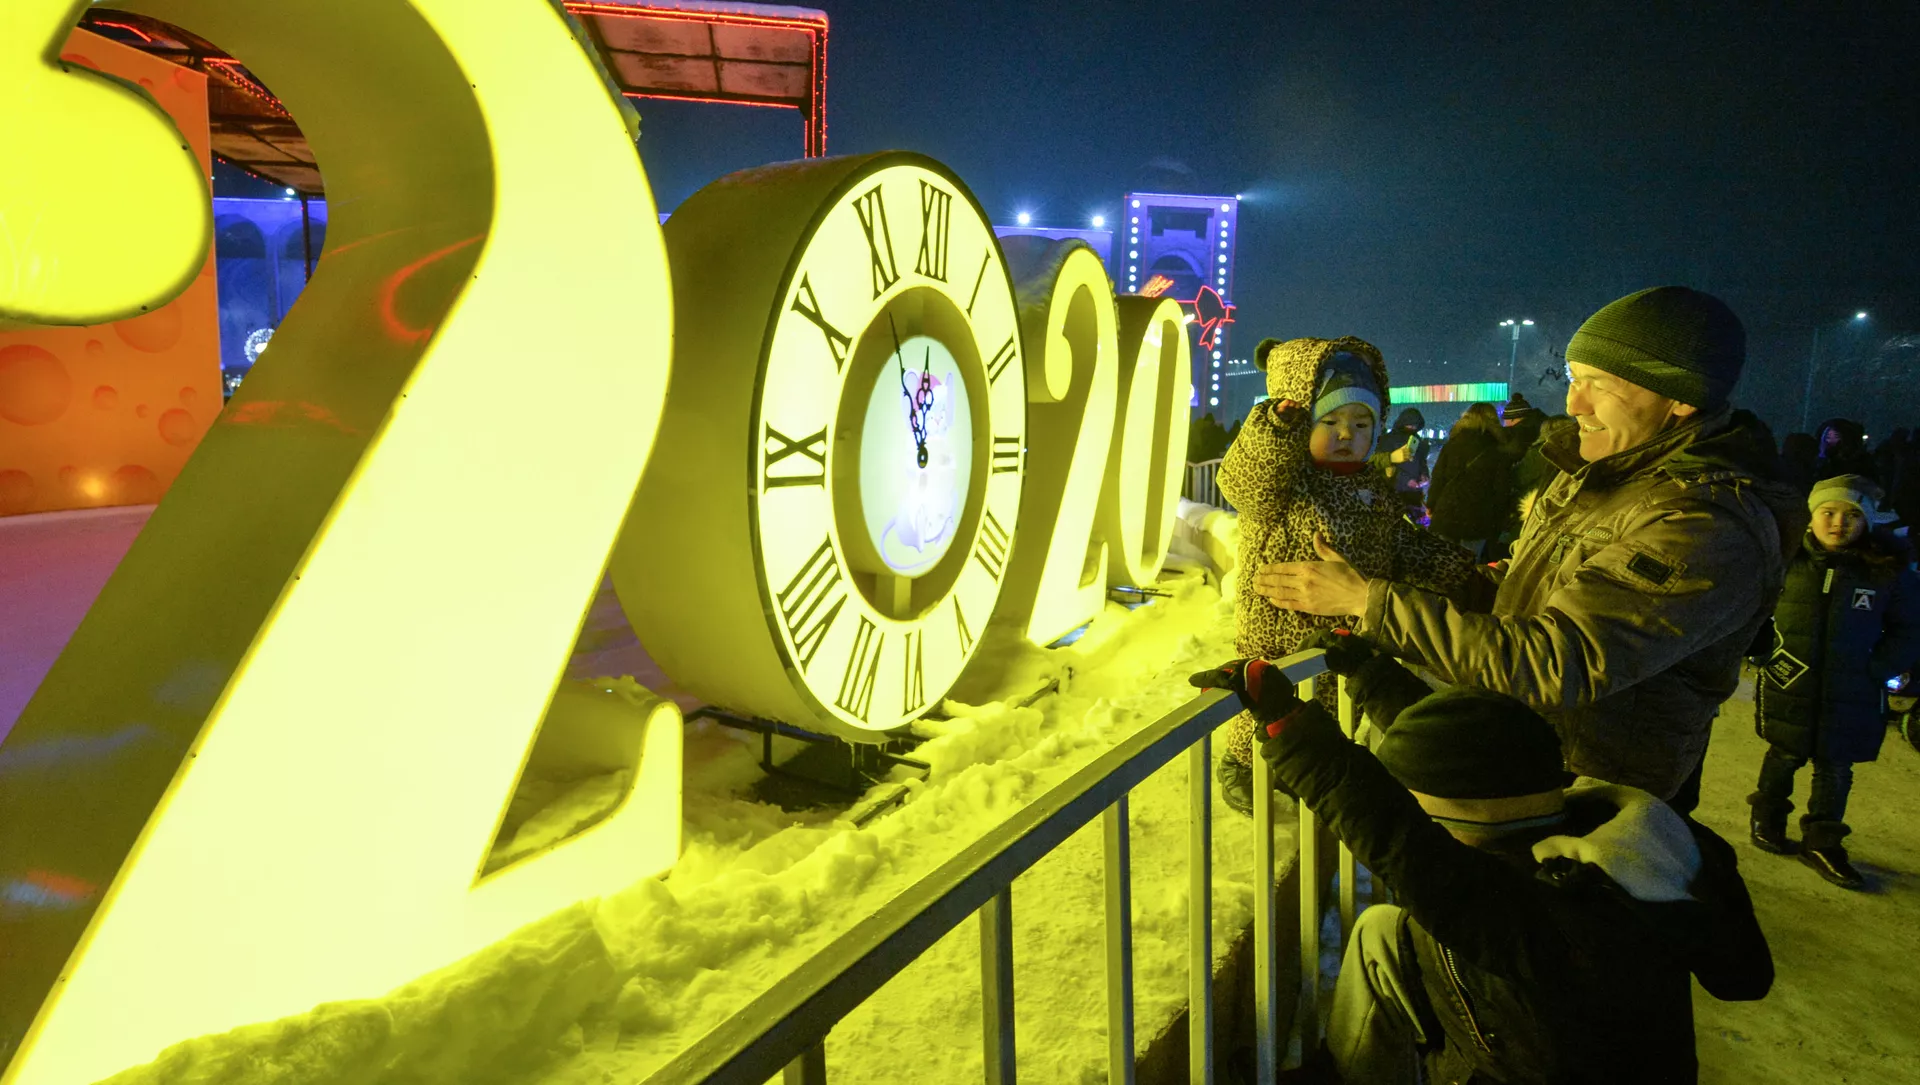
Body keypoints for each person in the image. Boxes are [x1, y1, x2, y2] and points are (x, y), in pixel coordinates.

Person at [1251, 287, 1804, 811]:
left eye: (1598, 383)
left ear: (1680, 397)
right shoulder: (1598, 475)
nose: (1573, 401)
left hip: (1589, 802)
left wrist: (1368, 600)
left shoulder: (1703, 524)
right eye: (1574, 378)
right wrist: (1392, 560)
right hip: (1515, 759)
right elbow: (1520, 593)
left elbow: (1556, 662)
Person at [1190, 640, 1773, 1085]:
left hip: (1512, 1071)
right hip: (1514, 1029)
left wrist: (1288, 725)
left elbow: (1397, 838)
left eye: (1424, 811)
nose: (1415, 815)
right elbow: (1468, 744)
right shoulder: (1595, 825)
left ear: (1466, 819)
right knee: (1382, 931)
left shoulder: (1559, 912)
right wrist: (1368, 673)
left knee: (1404, 921)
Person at [1212, 336, 1480, 815]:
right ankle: (1243, 765)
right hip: (1281, 632)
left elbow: (1400, 545)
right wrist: (1278, 427)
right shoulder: (1288, 482)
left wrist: (1461, 571)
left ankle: (1311, 773)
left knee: (1329, 715)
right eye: (1329, 422)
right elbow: (1246, 482)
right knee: (1270, 704)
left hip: (1348, 633)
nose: (1345, 435)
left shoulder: (1370, 486)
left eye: (1361, 424)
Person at [1748, 475, 1920, 888]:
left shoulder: (1885, 571)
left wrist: (1877, 667)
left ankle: (1823, 840)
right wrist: (1762, 651)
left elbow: (1910, 627)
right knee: (1784, 752)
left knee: (1835, 766)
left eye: (1852, 515)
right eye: (1828, 512)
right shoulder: (1785, 559)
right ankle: (1767, 818)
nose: (1838, 523)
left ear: (1867, 523)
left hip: (1853, 689)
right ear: (1811, 516)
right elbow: (1753, 606)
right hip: (1791, 682)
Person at [1424, 402, 1515, 558]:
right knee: (1469, 563)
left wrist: (1431, 505)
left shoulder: (1452, 444)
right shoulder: (1497, 450)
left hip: (1447, 514)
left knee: (1444, 561)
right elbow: (1501, 490)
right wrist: (1499, 520)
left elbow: (1438, 478)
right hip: (1478, 519)